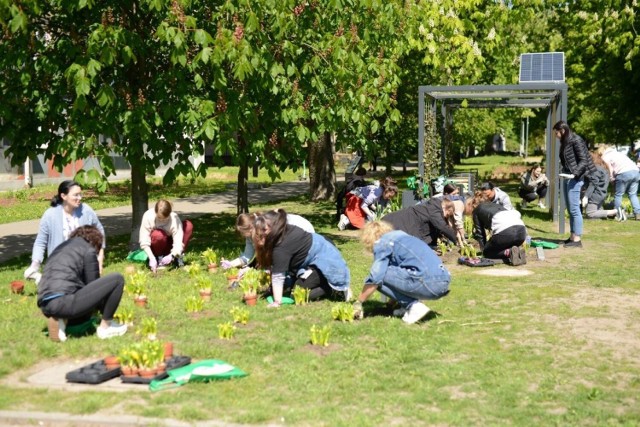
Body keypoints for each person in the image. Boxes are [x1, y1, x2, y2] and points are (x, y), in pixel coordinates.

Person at [37, 225, 127, 342]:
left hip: (45, 303)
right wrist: (106, 308)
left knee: (81, 309)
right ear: (95, 242)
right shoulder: (88, 250)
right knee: (117, 279)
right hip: (64, 300)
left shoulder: (59, 249)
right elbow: (94, 287)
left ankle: (60, 320)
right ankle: (106, 327)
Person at [351, 221, 450, 324]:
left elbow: (375, 278)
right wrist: (392, 303)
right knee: (388, 271)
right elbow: (400, 276)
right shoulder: (403, 237)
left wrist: (358, 302)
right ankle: (406, 306)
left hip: (428, 282)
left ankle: (413, 307)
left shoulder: (383, 242)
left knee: (379, 275)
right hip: (443, 282)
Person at [253, 209, 350, 307]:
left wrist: (277, 302)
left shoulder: (282, 245)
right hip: (311, 262)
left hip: (326, 262)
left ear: (274, 226)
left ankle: (330, 289)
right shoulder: (283, 231)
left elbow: (278, 276)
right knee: (290, 288)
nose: (262, 233)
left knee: (297, 295)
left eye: (264, 230)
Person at [24, 180, 105, 285]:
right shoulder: (50, 215)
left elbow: (100, 230)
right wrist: (35, 265)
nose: (80, 198)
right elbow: (40, 242)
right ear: (63, 196)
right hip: (60, 265)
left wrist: (100, 256)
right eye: (76, 195)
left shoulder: (86, 211)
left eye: (80, 194)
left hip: (84, 263)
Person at [554, 120, 597, 247]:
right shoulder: (566, 141)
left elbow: (583, 160)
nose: (556, 136)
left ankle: (577, 239)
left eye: (556, 133)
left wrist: (574, 174)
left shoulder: (576, 140)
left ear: (562, 131)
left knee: (574, 209)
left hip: (576, 178)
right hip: (568, 177)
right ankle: (572, 237)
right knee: (570, 208)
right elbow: (568, 161)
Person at [221, 211, 315, 269]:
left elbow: (277, 249)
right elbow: (247, 256)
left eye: (243, 233)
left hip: (303, 230)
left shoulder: (266, 227)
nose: (243, 236)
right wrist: (231, 264)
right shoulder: (250, 236)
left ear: (251, 228)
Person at [465, 192, 527, 265]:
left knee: (488, 253)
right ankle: (517, 252)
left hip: (506, 233)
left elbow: (480, 233)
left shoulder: (477, 210)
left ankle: (509, 252)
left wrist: (484, 250)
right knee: (504, 244)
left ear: (472, 205)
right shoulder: (497, 205)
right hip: (521, 233)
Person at [139, 199, 193, 272]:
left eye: (165, 219)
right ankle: (159, 259)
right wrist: (151, 257)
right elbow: (144, 240)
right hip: (157, 245)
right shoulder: (148, 216)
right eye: (159, 218)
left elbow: (178, 241)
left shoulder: (174, 218)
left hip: (170, 245)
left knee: (188, 225)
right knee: (157, 234)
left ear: (170, 214)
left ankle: (178, 257)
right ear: (155, 212)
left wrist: (172, 255)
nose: (162, 221)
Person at [382, 197, 458, 248]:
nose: (445, 217)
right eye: (447, 214)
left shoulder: (433, 206)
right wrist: (455, 239)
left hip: (396, 220)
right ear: (445, 208)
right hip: (396, 223)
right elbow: (442, 226)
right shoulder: (434, 210)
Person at [598, 145, 640, 221]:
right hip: (636, 171)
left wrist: (611, 180)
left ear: (601, 152)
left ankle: (617, 213)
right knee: (633, 194)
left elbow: (610, 170)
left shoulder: (605, 157)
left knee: (618, 194)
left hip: (623, 173)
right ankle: (638, 214)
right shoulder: (618, 153)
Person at [583, 152, 617, 219]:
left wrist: (586, 196)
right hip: (601, 194)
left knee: (590, 213)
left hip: (595, 195)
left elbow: (593, 182)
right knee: (597, 212)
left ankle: (615, 212)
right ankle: (610, 214)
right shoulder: (602, 168)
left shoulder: (595, 168)